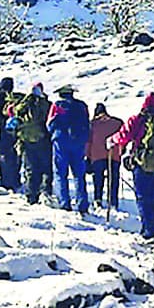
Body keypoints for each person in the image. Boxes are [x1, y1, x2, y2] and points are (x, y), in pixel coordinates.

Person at [108, 93, 154, 242]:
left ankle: (147, 232)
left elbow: (124, 136)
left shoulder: (137, 120)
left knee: (143, 198)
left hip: (141, 164)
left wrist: (112, 140)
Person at [47, 86, 91, 214]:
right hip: (78, 142)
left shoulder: (57, 105)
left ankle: (64, 202)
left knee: (61, 173)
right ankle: (82, 203)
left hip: (61, 140)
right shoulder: (82, 106)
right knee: (79, 174)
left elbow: (50, 124)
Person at [5, 83, 53, 203]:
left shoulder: (23, 104)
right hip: (42, 140)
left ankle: (31, 195)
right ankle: (46, 192)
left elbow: (12, 112)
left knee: (31, 169)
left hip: (26, 140)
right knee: (46, 168)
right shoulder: (46, 104)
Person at [87, 103, 124, 210]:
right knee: (114, 178)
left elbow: (88, 142)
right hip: (114, 155)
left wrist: (87, 156)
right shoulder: (117, 122)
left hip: (97, 155)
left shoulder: (92, 124)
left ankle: (98, 199)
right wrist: (122, 150)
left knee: (98, 178)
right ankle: (113, 201)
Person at [0, 77, 22, 191]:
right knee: (15, 154)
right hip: (15, 130)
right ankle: (16, 179)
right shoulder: (16, 98)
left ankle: (5, 181)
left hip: (2, 130)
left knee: (3, 155)